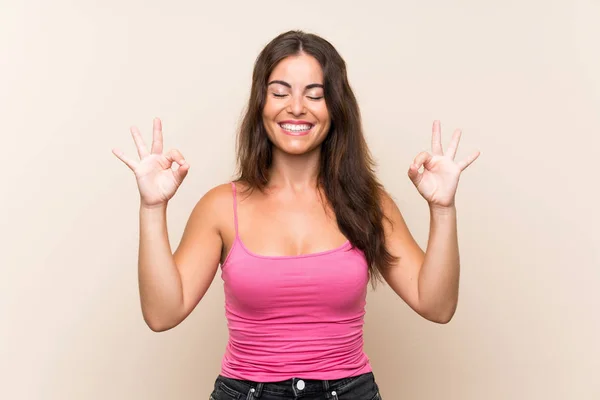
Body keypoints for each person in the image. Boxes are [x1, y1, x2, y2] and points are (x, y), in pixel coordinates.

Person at [112, 30, 480, 400]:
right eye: (280, 92)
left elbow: (437, 305)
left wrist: (442, 208)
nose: (297, 107)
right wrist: (152, 207)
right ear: (261, 104)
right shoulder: (220, 207)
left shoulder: (369, 202)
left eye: (315, 95)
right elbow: (162, 314)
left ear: (335, 108)